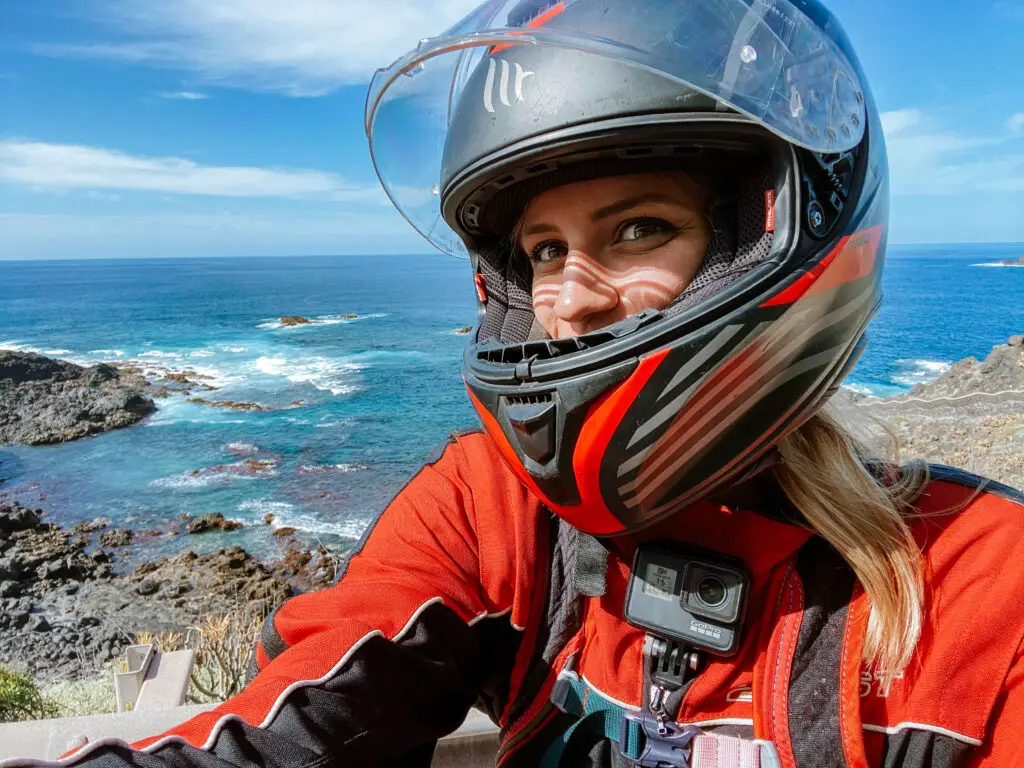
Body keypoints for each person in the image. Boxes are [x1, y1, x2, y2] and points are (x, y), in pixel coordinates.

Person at [9, 1, 1024, 766]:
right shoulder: (502, 509)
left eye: (637, 229)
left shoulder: (981, 585)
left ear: (763, 232)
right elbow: (290, 722)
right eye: (540, 251)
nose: (568, 302)